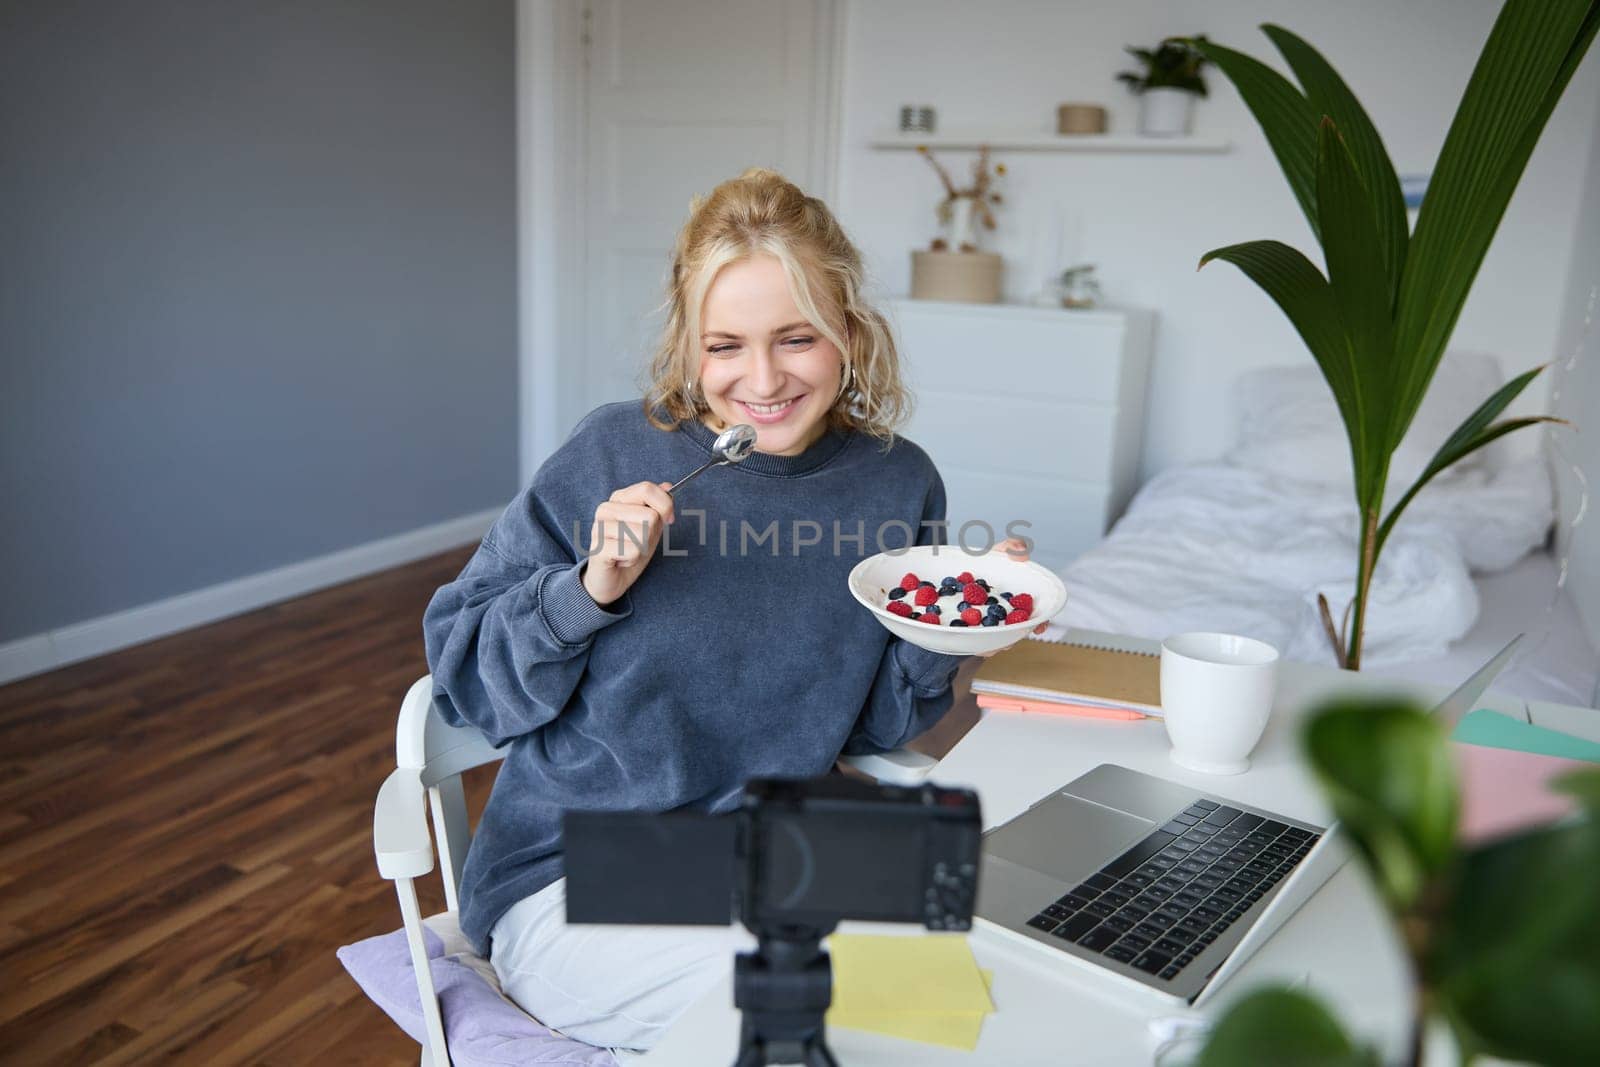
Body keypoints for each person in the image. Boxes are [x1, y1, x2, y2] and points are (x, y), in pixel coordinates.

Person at [422, 167, 1034, 1054]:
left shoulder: (898, 480)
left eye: (798, 338)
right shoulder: (611, 451)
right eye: (725, 346)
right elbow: (468, 685)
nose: (763, 378)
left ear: (850, 337)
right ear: (686, 347)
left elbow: (871, 728)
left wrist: (950, 623)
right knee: (828, 1008)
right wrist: (586, 591)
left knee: (980, 984)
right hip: (577, 868)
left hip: (772, 853)